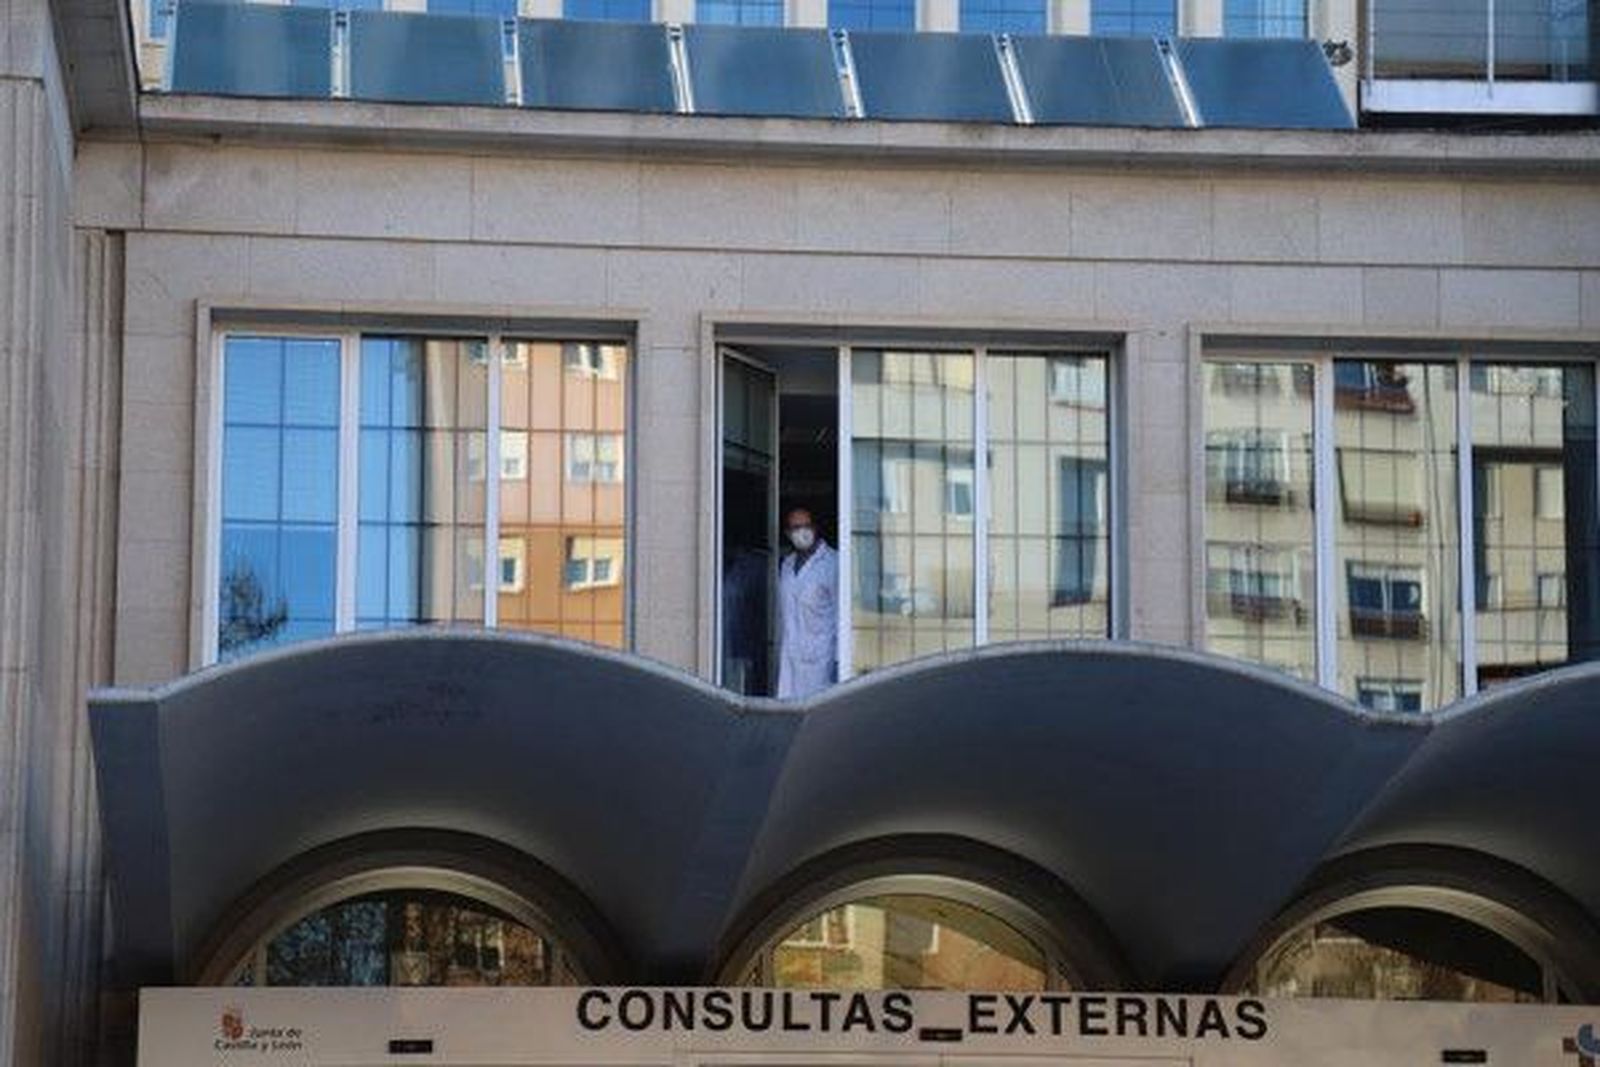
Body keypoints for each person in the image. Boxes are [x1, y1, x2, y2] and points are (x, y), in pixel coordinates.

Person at [776, 507, 838, 700]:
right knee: (789, 710)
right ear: (788, 534)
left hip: (822, 662)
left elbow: (842, 616)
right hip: (790, 657)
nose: (802, 532)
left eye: (806, 526)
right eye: (796, 528)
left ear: (815, 528)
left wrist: (839, 662)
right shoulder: (786, 565)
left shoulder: (833, 563)